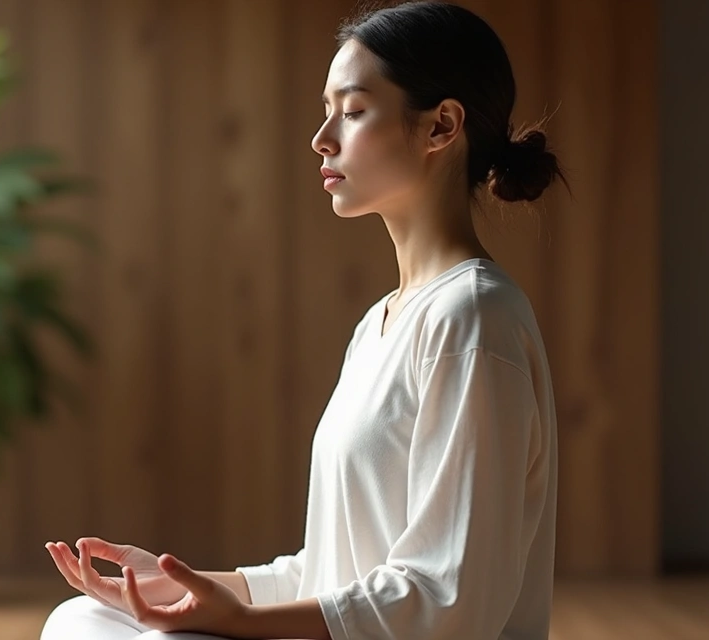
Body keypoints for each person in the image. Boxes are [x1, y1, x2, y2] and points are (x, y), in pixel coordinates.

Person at [40, 2, 562, 638]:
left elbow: (449, 596)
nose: (322, 138)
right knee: (84, 616)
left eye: (352, 110)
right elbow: (333, 573)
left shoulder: (474, 316)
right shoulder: (380, 325)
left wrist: (242, 624)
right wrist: (190, 587)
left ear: (440, 126)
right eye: (326, 112)